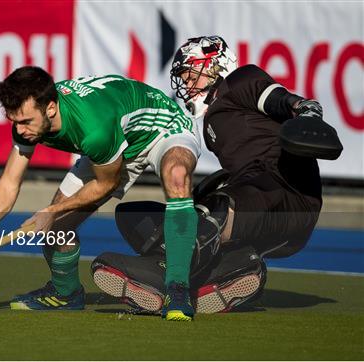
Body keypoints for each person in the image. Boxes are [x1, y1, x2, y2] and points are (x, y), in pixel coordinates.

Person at [91, 35, 342, 314]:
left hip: (285, 197)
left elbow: (281, 101)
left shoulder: (240, 81)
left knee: (212, 210)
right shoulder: (213, 121)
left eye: (191, 73)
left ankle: (164, 273)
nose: (186, 83)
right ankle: (232, 271)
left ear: (216, 64)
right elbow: (249, 162)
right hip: (257, 201)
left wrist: (304, 109)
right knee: (135, 217)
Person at [0, 67, 203, 321]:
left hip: (162, 129)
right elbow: (8, 183)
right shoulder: (26, 122)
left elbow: (106, 184)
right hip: (115, 141)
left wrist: (51, 210)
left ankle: (177, 288)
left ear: (50, 108)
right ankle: (66, 294)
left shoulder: (93, 129)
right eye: (15, 121)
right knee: (55, 230)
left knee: (177, 176)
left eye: (26, 122)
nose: (21, 130)